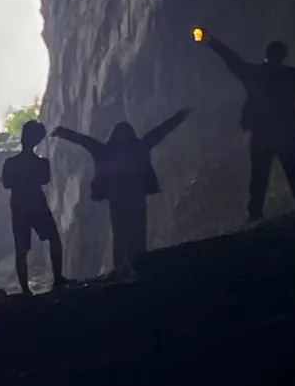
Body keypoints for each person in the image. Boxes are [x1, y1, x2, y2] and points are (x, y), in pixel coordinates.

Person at [196, 31, 295, 222]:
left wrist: (207, 39)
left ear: (267, 55)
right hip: (283, 133)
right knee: (293, 170)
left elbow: (230, 58)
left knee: (260, 175)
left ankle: (255, 213)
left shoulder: (254, 74)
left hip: (262, 134)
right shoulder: (290, 76)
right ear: (282, 57)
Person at [50, 108, 191, 270]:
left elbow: (84, 141)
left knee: (121, 233)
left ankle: (122, 266)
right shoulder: (139, 147)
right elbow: (160, 131)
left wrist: (63, 132)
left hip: (118, 198)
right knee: (135, 231)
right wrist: (180, 116)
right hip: (135, 196)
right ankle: (136, 264)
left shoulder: (106, 151)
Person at [0, 119, 69, 295]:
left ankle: (25, 289)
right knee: (53, 239)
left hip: (19, 205)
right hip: (36, 203)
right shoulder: (41, 163)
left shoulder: (10, 162)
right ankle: (58, 279)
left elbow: (6, 183)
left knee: (21, 248)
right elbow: (44, 179)